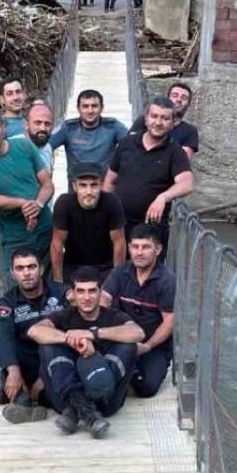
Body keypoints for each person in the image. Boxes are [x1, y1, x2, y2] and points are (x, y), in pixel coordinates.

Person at [28, 266, 144, 438]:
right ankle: (86, 411)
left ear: (100, 292)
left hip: (106, 400)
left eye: (92, 291)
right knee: (47, 346)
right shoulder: (63, 316)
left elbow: (138, 333)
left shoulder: (113, 316)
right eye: (81, 291)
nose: (87, 297)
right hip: (66, 399)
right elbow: (34, 331)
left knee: (129, 346)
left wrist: (93, 334)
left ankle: (77, 409)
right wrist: (71, 338)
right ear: (73, 294)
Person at [0, 106, 53, 278]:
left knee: (51, 286)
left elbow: (47, 185)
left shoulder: (24, 146)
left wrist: (38, 204)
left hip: (46, 231)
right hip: (15, 239)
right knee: (18, 289)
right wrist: (22, 203)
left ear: (4, 127)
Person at [104, 96, 193, 257]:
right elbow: (110, 180)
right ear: (145, 118)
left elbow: (187, 183)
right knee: (114, 269)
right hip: (119, 225)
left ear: (173, 123)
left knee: (148, 272)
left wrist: (163, 197)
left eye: (165, 118)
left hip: (151, 230)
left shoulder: (175, 152)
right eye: (154, 116)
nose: (158, 122)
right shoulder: (126, 143)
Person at [0, 247, 70, 423]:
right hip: (26, 363)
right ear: (13, 273)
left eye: (31, 267)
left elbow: (72, 332)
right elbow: (5, 338)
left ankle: (29, 401)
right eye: (20, 268)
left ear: (41, 269)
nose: (26, 273)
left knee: (54, 397)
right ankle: (19, 396)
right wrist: (14, 372)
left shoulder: (61, 294)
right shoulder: (7, 302)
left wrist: (44, 378)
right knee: (12, 369)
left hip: (55, 361)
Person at [100, 224, 175, 398]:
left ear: (158, 250)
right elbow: (103, 298)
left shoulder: (167, 281)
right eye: (135, 247)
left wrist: (147, 346)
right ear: (129, 248)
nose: (139, 253)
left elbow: (169, 322)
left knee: (147, 387)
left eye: (145, 247)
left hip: (153, 346)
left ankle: (130, 370)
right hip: (122, 339)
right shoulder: (120, 272)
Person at [50, 162, 126, 285]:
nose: (89, 191)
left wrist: (117, 280)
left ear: (101, 185)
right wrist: (58, 282)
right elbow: (57, 244)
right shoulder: (64, 204)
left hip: (105, 267)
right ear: (74, 186)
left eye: (94, 185)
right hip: (73, 266)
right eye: (83, 185)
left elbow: (119, 243)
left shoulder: (112, 202)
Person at [49, 89, 128, 182]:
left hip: (105, 186)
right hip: (77, 186)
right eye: (85, 106)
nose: (90, 111)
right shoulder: (67, 128)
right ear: (78, 108)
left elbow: (132, 146)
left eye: (94, 106)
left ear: (102, 108)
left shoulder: (113, 127)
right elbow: (45, 147)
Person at [129, 82, 198, 160]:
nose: (179, 100)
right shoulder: (145, 121)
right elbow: (129, 147)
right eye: (175, 95)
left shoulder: (190, 131)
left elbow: (183, 160)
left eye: (184, 98)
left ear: (188, 104)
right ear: (167, 98)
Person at [9, 100, 53, 173]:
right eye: (38, 123)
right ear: (26, 125)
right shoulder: (11, 147)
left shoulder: (47, 148)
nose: (43, 128)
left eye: (47, 124)